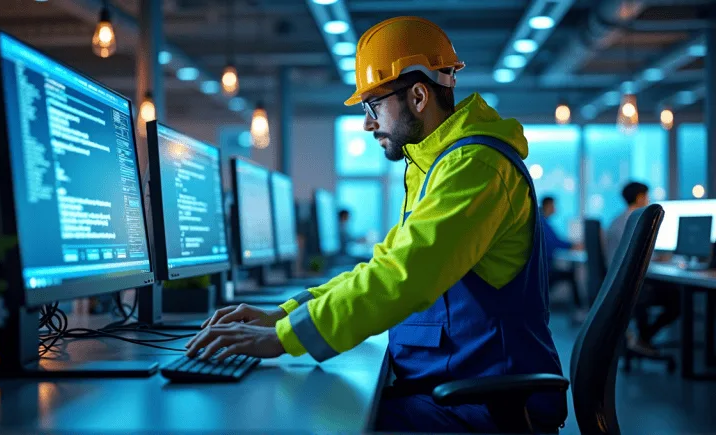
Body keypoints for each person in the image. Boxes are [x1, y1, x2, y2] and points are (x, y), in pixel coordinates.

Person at [185, 16, 567, 432]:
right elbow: (383, 265)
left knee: (300, 419)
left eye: (374, 106)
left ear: (418, 96)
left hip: (484, 407)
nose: (368, 123)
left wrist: (283, 339)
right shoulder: (437, 165)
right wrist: (283, 315)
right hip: (453, 391)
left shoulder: (475, 167)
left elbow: (403, 276)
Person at [605, 181, 679, 355]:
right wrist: (660, 259)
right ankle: (644, 338)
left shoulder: (618, 219)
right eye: (647, 196)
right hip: (630, 286)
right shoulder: (636, 220)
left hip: (617, 283)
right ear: (640, 197)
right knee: (677, 299)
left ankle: (642, 338)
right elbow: (638, 256)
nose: (648, 200)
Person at [541, 196, 583, 309]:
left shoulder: (543, 222)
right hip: (546, 270)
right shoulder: (542, 223)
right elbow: (555, 242)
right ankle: (578, 309)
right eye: (554, 205)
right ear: (548, 206)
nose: (555, 209)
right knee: (571, 275)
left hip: (545, 268)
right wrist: (574, 246)